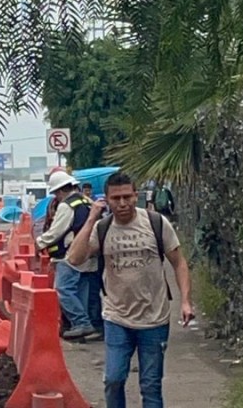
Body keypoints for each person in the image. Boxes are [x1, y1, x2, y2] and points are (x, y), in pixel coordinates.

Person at [67, 171, 193, 408]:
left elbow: (179, 262)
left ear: (137, 196)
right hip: (116, 318)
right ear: (106, 199)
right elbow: (74, 258)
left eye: (127, 196)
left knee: (151, 386)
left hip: (154, 319)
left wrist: (186, 301)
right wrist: (92, 217)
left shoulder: (156, 223)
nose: (122, 203)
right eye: (116, 198)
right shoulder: (102, 228)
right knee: (113, 380)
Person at [35, 171, 100, 340]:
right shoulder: (86, 201)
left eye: (56, 193)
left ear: (60, 190)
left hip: (70, 254)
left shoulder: (67, 205)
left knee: (63, 288)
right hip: (89, 253)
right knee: (82, 291)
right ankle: (91, 326)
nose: (56, 196)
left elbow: (57, 231)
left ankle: (81, 323)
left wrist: (39, 243)